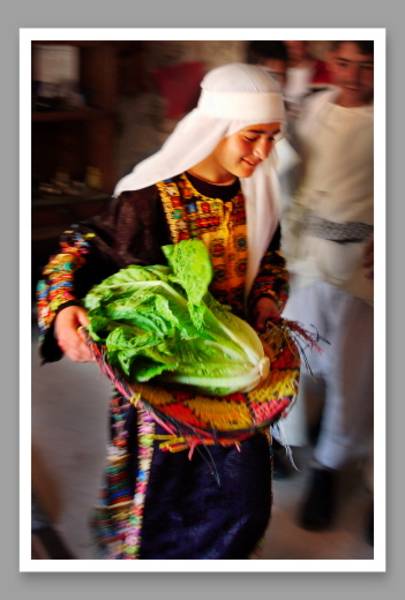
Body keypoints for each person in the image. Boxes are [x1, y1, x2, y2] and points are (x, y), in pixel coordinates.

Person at [36, 63, 289, 559]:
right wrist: (63, 308)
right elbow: (78, 249)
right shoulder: (151, 198)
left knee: (245, 499)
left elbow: (270, 259)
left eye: (272, 138)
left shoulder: (256, 192)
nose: (263, 153)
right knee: (163, 500)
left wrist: (265, 296)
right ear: (217, 127)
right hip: (164, 378)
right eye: (252, 136)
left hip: (236, 375)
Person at [280, 41, 374, 530]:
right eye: (343, 63)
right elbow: (289, 151)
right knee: (291, 353)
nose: (353, 77)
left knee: (349, 371)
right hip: (306, 257)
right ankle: (286, 437)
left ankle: (328, 466)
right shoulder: (316, 105)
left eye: (367, 66)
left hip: (361, 267)